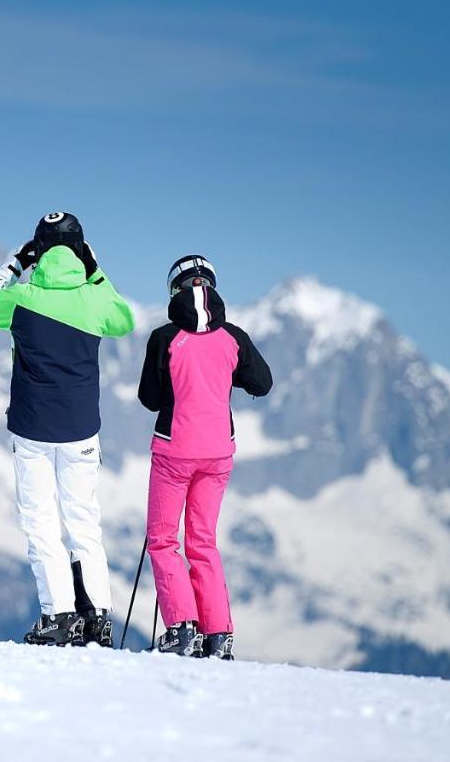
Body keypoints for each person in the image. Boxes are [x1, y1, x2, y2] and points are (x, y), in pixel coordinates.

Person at [0, 212, 135, 646]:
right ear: (81, 251)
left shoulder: (22, 296)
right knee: (84, 521)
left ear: (37, 250)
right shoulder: (94, 300)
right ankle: (96, 616)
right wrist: (94, 273)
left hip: (32, 428)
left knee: (41, 522)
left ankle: (58, 614)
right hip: (81, 429)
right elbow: (124, 319)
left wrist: (12, 266)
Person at [137, 254, 272, 658]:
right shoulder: (233, 337)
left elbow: (149, 398)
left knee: (163, 540)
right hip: (217, 453)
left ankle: (181, 627)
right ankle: (218, 634)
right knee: (203, 541)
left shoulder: (165, 338)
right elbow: (262, 383)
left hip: (174, 450)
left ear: (174, 290)